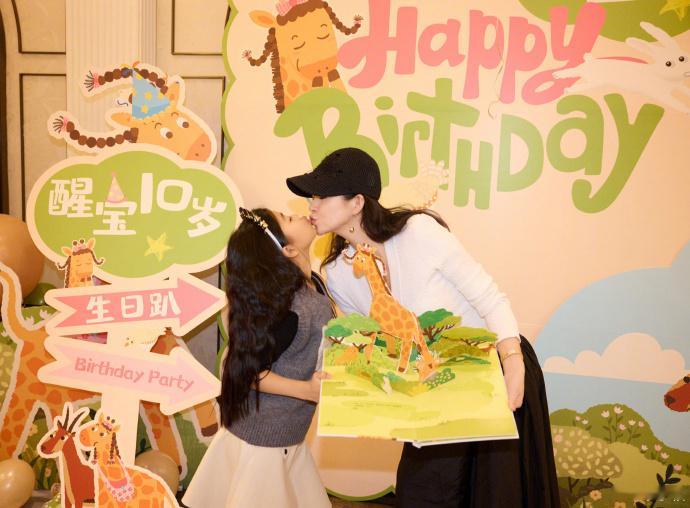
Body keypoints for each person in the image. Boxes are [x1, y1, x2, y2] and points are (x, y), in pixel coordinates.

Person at [286, 148, 560, 507]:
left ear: (357, 203)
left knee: (495, 494)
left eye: (322, 195)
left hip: (492, 370)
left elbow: (490, 297)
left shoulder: (418, 232)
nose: (312, 205)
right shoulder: (338, 272)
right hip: (431, 387)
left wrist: (513, 362)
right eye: (312, 197)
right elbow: (374, 344)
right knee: (425, 493)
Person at [182, 207, 333, 508]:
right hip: (265, 440)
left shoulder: (309, 288)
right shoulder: (291, 310)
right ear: (288, 250)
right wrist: (307, 390)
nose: (300, 214)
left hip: (286, 431)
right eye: (288, 219)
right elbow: (247, 371)